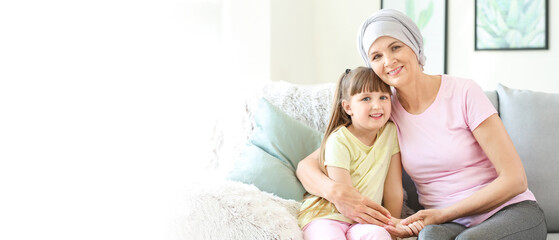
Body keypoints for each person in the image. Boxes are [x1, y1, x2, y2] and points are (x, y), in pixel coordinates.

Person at [296, 9, 547, 240]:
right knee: (429, 237)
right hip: (448, 222)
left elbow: (515, 179)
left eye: (396, 47)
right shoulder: (384, 110)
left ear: (414, 47)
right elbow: (307, 166)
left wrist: (443, 214)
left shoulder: (463, 92)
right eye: (376, 56)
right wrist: (338, 193)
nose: (388, 61)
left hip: (509, 211)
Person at [297, 67, 420, 240]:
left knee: (379, 235)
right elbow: (347, 200)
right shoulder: (339, 140)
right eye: (366, 98)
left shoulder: (390, 133)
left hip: (364, 222)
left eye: (383, 97)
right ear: (348, 107)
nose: (377, 105)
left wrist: (390, 226)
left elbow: (393, 189)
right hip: (328, 217)